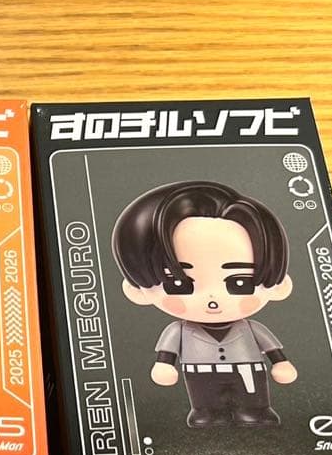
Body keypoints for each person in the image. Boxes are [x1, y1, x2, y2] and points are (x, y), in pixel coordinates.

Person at [112, 180, 298, 427]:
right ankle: (207, 412)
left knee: (253, 397)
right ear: (138, 289)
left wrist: (281, 363)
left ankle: (256, 410)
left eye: (239, 282)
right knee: (206, 404)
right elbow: (167, 354)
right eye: (179, 284)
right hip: (200, 375)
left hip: (247, 370)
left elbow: (272, 350)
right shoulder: (179, 330)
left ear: (279, 285)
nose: (212, 299)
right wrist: (164, 366)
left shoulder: (251, 329)